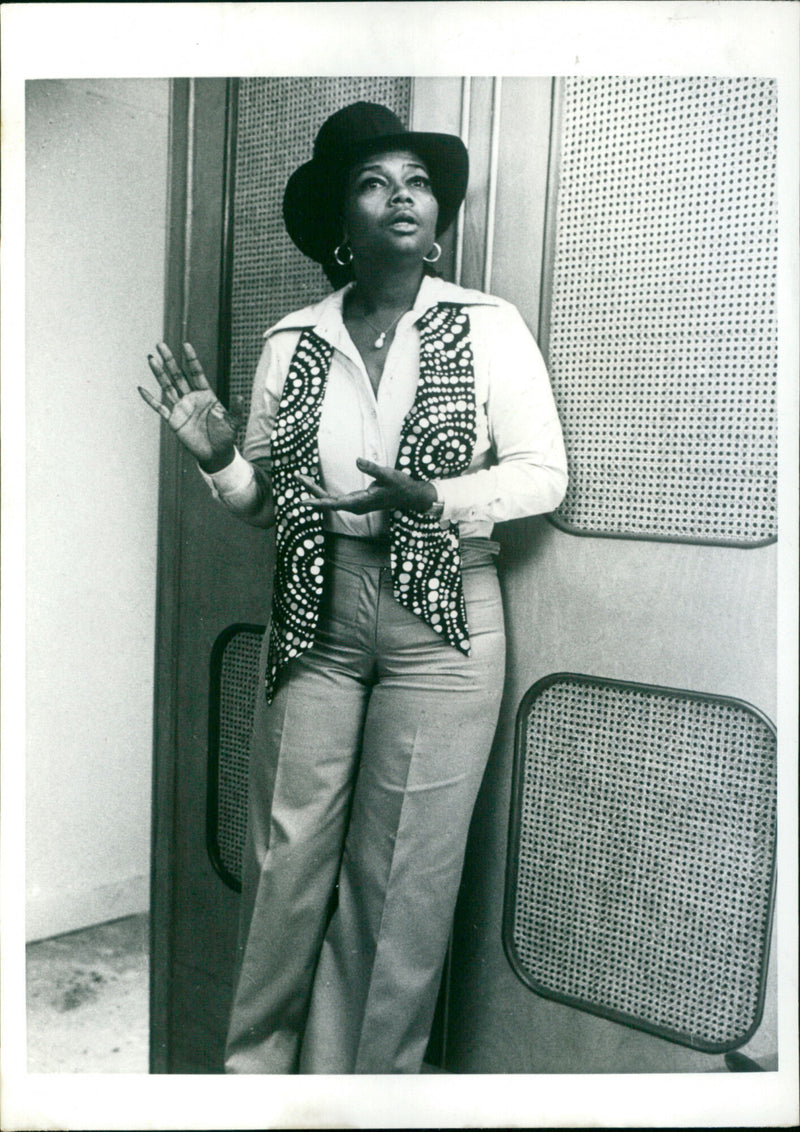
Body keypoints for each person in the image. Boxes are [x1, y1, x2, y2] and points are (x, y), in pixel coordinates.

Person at [139, 101, 568, 1074]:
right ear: (343, 218)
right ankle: (253, 1085)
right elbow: (265, 502)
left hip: (443, 622)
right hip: (316, 616)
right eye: (375, 183)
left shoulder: (488, 326)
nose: (402, 197)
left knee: (400, 884)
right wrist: (217, 456)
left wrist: (439, 495)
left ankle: (362, 1097)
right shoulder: (292, 341)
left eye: (417, 182)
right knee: (284, 864)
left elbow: (544, 476)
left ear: (437, 213)